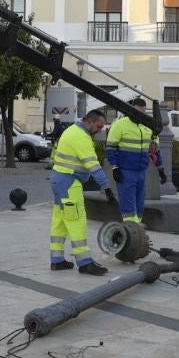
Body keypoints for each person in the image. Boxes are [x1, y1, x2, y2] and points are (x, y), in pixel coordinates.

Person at [48, 109, 114, 275]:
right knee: (77, 220)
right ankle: (85, 263)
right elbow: (93, 166)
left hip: (59, 181)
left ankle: (57, 260)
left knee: (60, 221)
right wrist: (107, 188)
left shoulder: (70, 130)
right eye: (98, 127)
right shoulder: (81, 137)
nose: (99, 130)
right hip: (69, 183)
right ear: (90, 121)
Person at [106, 99, 156, 225]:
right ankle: (131, 228)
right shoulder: (119, 124)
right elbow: (110, 148)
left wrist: (160, 167)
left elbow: (154, 147)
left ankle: (137, 228)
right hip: (125, 170)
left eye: (143, 112)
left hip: (141, 170)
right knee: (128, 203)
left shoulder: (147, 125)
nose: (140, 115)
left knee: (140, 202)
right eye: (138, 112)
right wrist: (115, 167)